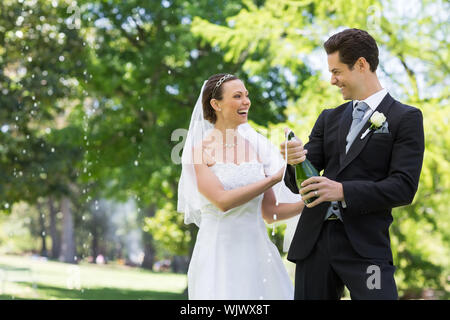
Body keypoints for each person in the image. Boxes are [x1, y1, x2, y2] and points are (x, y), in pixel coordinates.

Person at [281, 28, 425, 300]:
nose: (333, 80)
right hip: (314, 244)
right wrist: (294, 162)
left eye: (337, 72)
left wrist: (343, 191)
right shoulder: (328, 118)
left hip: (367, 249)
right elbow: (298, 185)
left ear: (361, 64)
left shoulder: (405, 118)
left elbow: (403, 188)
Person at [177, 73, 304, 300]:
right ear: (215, 104)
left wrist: (307, 202)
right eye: (237, 96)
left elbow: (270, 212)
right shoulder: (198, 152)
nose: (246, 101)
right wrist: (274, 178)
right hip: (219, 253)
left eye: (246, 95)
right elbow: (222, 201)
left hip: (258, 252)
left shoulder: (256, 146)